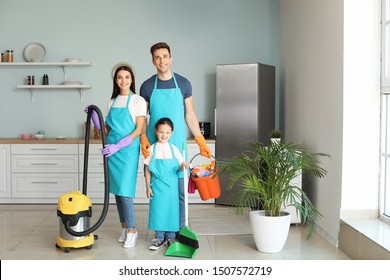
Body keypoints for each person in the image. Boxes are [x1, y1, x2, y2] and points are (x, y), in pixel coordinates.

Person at [140, 42, 211, 229]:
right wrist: (143, 138)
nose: (161, 60)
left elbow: (190, 114)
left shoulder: (184, 84)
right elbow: (142, 117)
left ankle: (180, 230)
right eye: (157, 57)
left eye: (165, 56)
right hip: (154, 145)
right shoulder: (147, 87)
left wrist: (200, 140)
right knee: (157, 191)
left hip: (177, 144)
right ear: (153, 61)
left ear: (170, 58)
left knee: (180, 191)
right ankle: (161, 231)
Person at [86, 63, 146, 248]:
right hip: (112, 151)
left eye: (127, 77)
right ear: (115, 80)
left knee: (126, 192)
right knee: (118, 193)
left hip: (127, 151)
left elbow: (139, 129)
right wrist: (95, 118)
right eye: (120, 77)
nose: (123, 80)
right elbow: (105, 130)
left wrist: (119, 145)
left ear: (132, 79)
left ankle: (132, 230)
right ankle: (124, 227)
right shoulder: (111, 102)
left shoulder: (138, 100)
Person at [144, 117, 189, 250]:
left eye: (167, 132)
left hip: (171, 186)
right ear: (156, 132)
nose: (164, 135)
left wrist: (184, 165)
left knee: (171, 210)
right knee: (158, 210)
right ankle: (159, 237)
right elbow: (147, 170)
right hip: (157, 185)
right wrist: (148, 187)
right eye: (161, 132)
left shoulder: (174, 149)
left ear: (172, 133)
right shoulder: (152, 149)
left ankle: (170, 237)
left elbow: (179, 166)